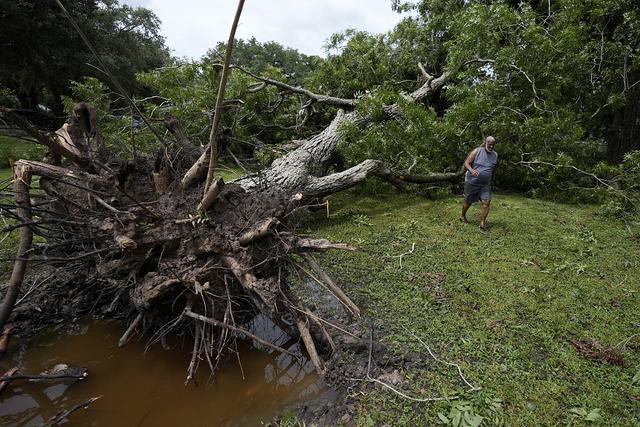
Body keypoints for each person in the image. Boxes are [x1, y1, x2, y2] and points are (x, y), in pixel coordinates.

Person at [460, 136, 498, 230]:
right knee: (468, 201)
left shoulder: (495, 155)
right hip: (472, 182)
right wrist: (472, 170)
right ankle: (462, 216)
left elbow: (493, 169)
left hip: (485, 184)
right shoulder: (477, 151)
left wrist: (491, 180)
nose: (491, 147)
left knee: (486, 202)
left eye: (493, 145)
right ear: (485, 142)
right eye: (489, 144)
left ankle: (482, 223)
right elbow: (466, 163)